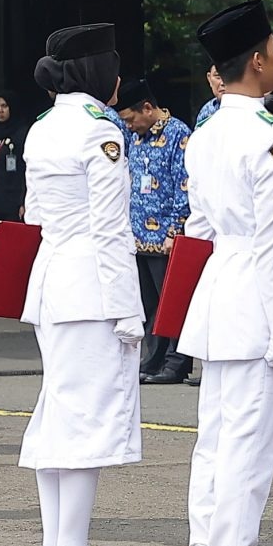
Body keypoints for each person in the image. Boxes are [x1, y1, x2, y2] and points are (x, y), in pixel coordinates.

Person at [177, 0, 273, 546]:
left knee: (217, 435)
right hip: (257, 294)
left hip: (219, 291)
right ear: (257, 62)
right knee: (249, 444)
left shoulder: (203, 135)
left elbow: (199, 227)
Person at [19, 24, 144, 546]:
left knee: (58, 410)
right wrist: (129, 307)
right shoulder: (100, 132)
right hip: (91, 285)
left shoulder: (42, 127)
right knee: (87, 415)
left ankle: (56, 543)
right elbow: (112, 229)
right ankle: (70, 545)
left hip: (50, 280)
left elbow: (32, 216)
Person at [120, 81, 194, 386]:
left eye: (130, 119)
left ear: (147, 108)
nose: (128, 125)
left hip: (165, 233)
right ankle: (154, 357)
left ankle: (177, 361)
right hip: (139, 233)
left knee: (171, 300)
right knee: (149, 303)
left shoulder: (178, 134)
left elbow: (183, 184)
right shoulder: (136, 138)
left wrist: (175, 230)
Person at [0, 94, 29, 224]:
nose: (0, 111)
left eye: (4, 106)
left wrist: (23, 201)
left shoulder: (22, 133)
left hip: (14, 201)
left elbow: (25, 168)